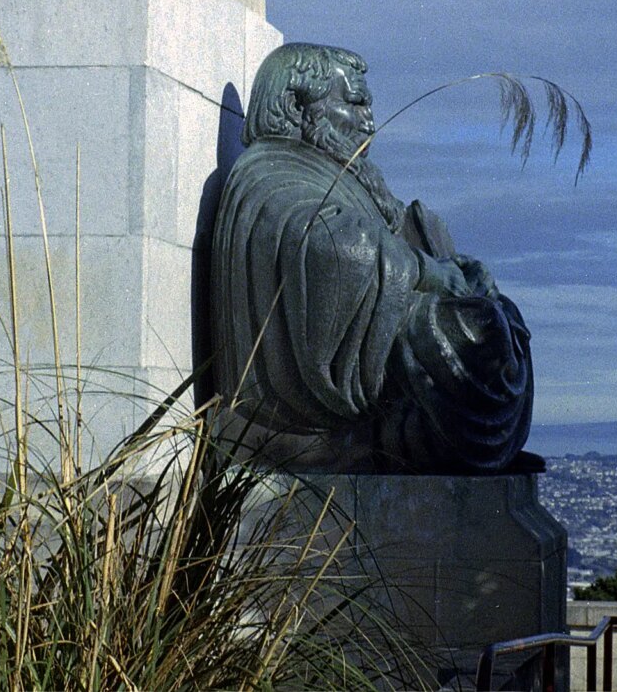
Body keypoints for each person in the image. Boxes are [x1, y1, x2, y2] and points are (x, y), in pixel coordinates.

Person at [210, 43, 534, 474]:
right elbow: (334, 246)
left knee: (497, 315)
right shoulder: (268, 171)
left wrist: (453, 265)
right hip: (298, 410)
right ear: (295, 105)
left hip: (378, 326)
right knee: (475, 332)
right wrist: (428, 273)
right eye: (355, 103)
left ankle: (443, 437)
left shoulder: (338, 173)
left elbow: (393, 233)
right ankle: (404, 437)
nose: (369, 122)